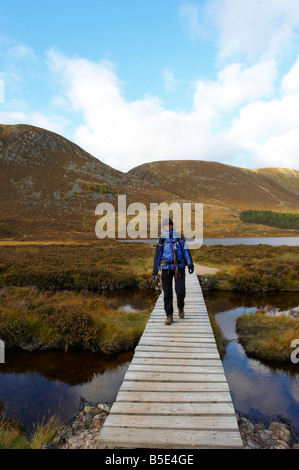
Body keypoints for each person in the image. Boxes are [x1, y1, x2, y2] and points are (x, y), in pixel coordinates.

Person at [152, 218, 194, 325]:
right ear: (164, 226)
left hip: (178, 267)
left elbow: (185, 250)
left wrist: (190, 264)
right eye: (166, 225)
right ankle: (169, 316)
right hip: (166, 269)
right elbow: (158, 255)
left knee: (180, 291)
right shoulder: (161, 239)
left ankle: (180, 307)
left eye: (170, 225)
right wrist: (155, 270)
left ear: (172, 225)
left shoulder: (179, 236)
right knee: (167, 293)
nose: (168, 227)